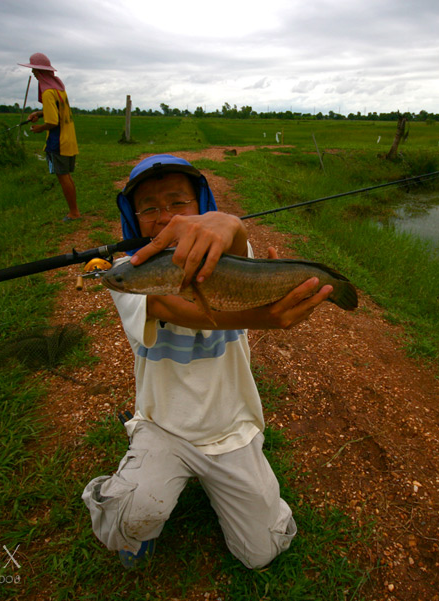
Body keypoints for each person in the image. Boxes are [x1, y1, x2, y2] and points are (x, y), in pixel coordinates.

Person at [82, 154, 333, 569]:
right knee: (127, 520)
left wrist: (232, 225)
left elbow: (237, 249)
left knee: (261, 552)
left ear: (202, 206)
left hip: (230, 428)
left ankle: (234, 487)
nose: (164, 217)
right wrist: (266, 317)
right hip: (164, 427)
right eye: (148, 207)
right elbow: (175, 308)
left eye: (178, 202)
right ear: (133, 216)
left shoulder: (234, 257)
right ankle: (133, 477)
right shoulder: (127, 275)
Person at [18, 52, 81, 221]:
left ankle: (74, 213)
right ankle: (74, 210)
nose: (33, 73)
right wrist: (39, 113)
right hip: (69, 140)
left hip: (57, 141)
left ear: (40, 72)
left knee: (63, 176)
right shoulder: (59, 90)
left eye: (34, 70)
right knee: (66, 175)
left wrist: (40, 128)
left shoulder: (47, 93)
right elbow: (56, 112)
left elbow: (53, 121)